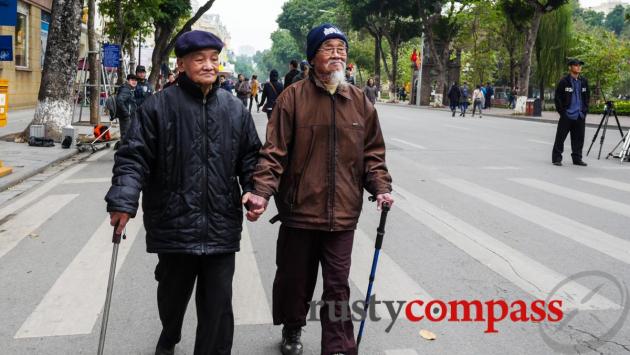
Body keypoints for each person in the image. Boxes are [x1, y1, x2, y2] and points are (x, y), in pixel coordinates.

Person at [105, 30, 262, 355]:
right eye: (200, 59)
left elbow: (251, 156)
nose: (209, 66)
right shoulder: (158, 107)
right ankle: (171, 332)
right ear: (181, 64)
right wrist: (123, 199)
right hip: (174, 225)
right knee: (171, 298)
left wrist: (253, 188)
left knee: (218, 310)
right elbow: (133, 155)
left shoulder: (234, 109)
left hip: (220, 226)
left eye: (214, 60)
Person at [243, 23, 394, 355]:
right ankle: (292, 327)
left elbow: (372, 153)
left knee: (338, 285)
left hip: (343, 213)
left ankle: (338, 346)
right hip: (300, 211)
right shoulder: (292, 99)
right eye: (329, 48)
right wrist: (261, 192)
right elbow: (274, 152)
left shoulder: (359, 101)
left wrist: (380, 186)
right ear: (313, 57)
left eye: (342, 49)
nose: (338, 55)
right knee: (295, 280)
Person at [552, 59, 589, 166]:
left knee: (578, 139)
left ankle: (577, 158)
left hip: (579, 115)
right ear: (570, 67)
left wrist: (584, 111)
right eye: (576, 65)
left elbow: (587, 97)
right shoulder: (564, 81)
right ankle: (557, 158)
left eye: (580, 65)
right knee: (560, 138)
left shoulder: (584, 81)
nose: (578, 67)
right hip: (567, 115)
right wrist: (563, 112)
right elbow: (557, 98)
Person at [114, 74, 138, 149]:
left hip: (127, 116)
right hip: (126, 117)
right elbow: (120, 101)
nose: (134, 82)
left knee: (127, 136)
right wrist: (126, 113)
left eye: (135, 80)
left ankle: (124, 152)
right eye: (132, 80)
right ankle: (123, 154)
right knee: (126, 136)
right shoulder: (126, 89)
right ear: (128, 81)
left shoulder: (129, 89)